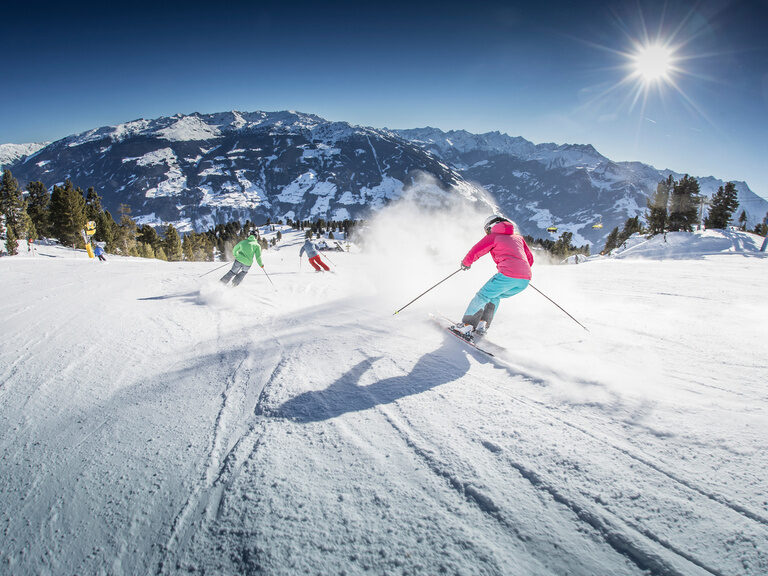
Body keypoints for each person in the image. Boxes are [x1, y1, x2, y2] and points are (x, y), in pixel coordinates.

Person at [454, 214, 533, 339]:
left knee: (483, 296)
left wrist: (466, 263)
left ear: (490, 227)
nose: (487, 233)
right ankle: (482, 325)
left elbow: (477, 250)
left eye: (486, 230)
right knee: (494, 296)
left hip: (508, 275)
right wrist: (521, 272)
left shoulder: (494, 236)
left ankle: (466, 325)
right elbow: (530, 259)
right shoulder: (518, 238)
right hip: (524, 280)